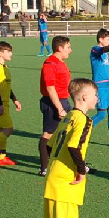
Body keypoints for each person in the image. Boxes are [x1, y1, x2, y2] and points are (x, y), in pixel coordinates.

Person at [42, 78, 98, 218]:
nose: (97, 99)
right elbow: (74, 147)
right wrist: (81, 170)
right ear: (84, 97)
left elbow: (48, 145)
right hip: (66, 182)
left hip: (57, 178)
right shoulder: (83, 119)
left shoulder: (68, 117)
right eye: (95, 95)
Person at [38, 36, 73, 176]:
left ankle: (68, 162)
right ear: (59, 48)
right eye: (68, 47)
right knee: (48, 135)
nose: (70, 50)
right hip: (53, 103)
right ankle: (44, 167)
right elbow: (50, 88)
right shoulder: (50, 64)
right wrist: (59, 108)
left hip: (63, 101)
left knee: (68, 132)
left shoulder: (61, 62)